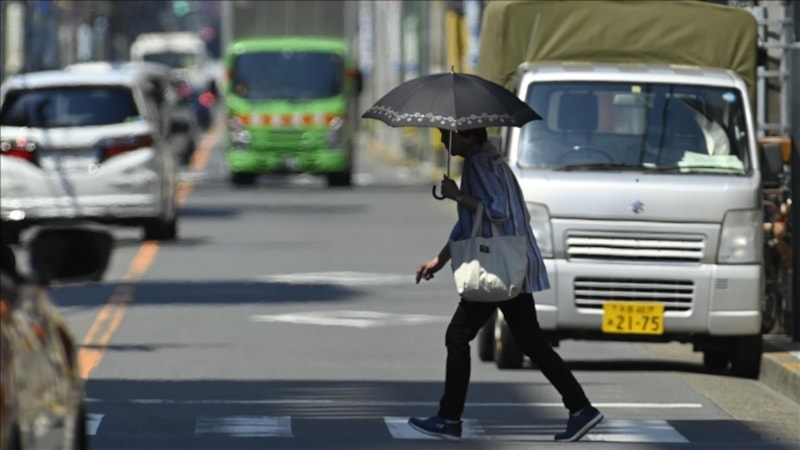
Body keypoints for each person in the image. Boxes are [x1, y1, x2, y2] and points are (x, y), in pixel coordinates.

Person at [408, 127, 603, 442]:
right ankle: (581, 408)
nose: (444, 141)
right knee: (531, 343)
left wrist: (456, 194)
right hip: (511, 263)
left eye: (448, 135)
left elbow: (495, 211)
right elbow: (471, 222)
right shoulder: (492, 161)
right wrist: (440, 259)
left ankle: (449, 418)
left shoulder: (480, 164)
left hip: (497, 266)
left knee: (457, 337)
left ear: (468, 135)